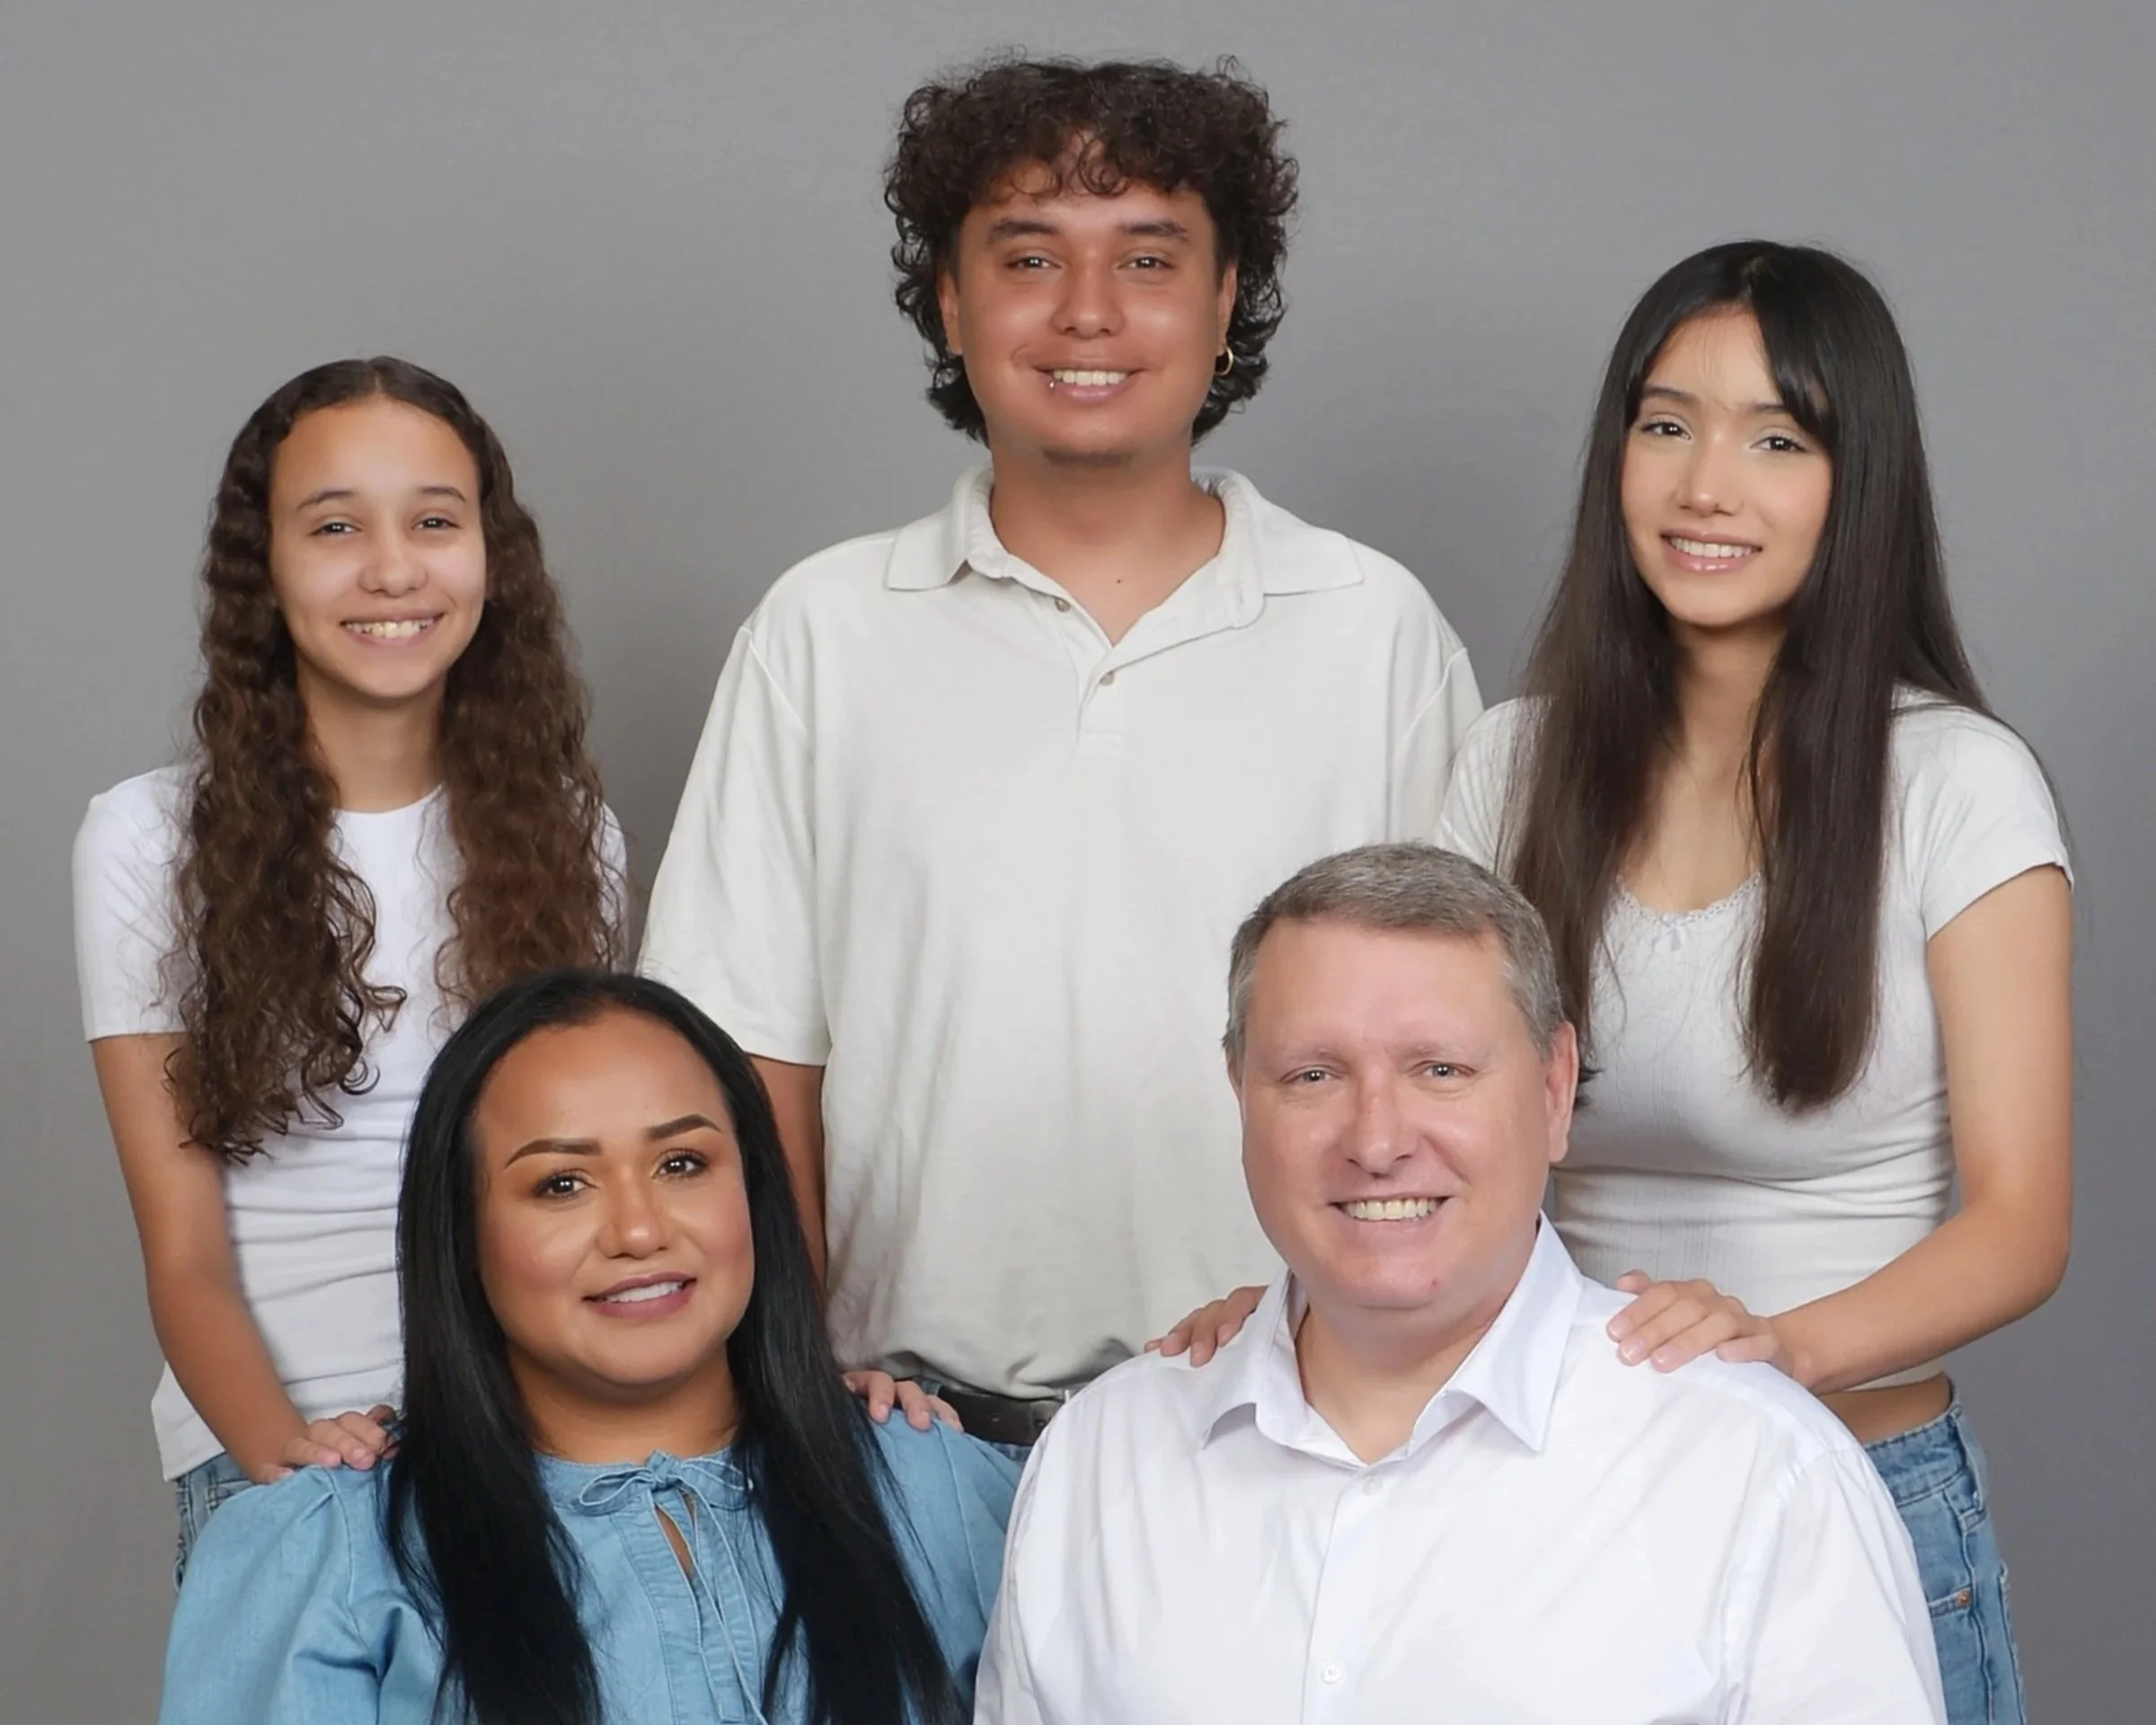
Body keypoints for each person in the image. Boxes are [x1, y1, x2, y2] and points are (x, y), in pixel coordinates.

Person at [1159, 242, 2071, 1724]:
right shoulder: (1515, 757)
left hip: (1859, 1467)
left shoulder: (1962, 786)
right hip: (1571, 1482)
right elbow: (1415, 1090)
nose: (1708, 484)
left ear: (1862, 481)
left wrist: (1774, 1353)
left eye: (1778, 439)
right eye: (1667, 425)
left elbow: (2024, 1226)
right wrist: (1288, 1311)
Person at [641, 56, 1480, 1449]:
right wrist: (791, 1394)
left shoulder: (1370, 629)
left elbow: (1466, 1053)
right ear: (953, 303)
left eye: (1147, 258)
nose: (1088, 312)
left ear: (1225, 303)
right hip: (902, 1438)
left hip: (1276, 1413)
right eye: (1029, 256)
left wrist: (1338, 1329)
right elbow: (743, 1065)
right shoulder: (825, 630)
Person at [978, 844, 1945, 1723]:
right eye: (1313, 1076)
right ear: (1240, 1093)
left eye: (1439, 1070)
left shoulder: (1759, 1477)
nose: (1378, 1140)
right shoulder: (1098, 1461)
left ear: (1556, 1087)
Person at [73, 358, 626, 1572]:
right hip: (276, 1444)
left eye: (435, 520)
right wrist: (294, 1477)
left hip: (538, 1440)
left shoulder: (571, 835)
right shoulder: (149, 839)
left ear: (492, 554)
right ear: (262, 566)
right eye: (335, 526)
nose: (392, 568)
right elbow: (185, 1251)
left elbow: (582, 1189)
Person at [159, 969, 1016, 1724]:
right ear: (462, 1233)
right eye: (561, 1184)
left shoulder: (939, 1489)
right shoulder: (327, 1554)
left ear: (753, 1190)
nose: (640, 1230)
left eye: (682, 1164)